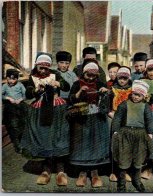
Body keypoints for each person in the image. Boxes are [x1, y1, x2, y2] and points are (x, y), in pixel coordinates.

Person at [20, 53, 70, 186]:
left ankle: (60, 169)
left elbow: (66, 86)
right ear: (37, 66)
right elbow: (27, 92)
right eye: (40, 68)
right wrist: (36, 90)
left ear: (49, 68)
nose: (43, 71)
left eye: (45, 68)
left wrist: (58, 83)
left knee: (58, 137)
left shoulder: (54, 74)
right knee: (44, 137)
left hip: (56, 109)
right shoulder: (32, 77)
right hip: (40, 110)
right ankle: (46, 168)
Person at [68, 59, 110, 188]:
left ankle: (94, 172)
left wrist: (105, 92)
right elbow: (70, 99)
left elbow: (106, 101)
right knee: (82, 143)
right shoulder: (77, 84)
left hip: (97, 118)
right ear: (84, 73)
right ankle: (82, 172)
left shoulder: (100, 83)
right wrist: (80, 92)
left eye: (93, 76)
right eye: (88, 75)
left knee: (95, 143)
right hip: (81, 118)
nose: (91, 78)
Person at [111, 80, 153, 192]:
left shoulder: (145, 107)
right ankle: (121, 183)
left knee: (138, 159)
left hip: (140, 135)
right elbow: (117, 118)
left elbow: (149, 121)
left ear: (143, 96)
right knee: (123, 158)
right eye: (134, 94)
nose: (135, 97)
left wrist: (150, 133)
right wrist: (115, 131)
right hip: (125, 134)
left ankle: (137, 180)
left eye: (138, 95)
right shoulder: (124, 105)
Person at [107, 66, 132, 182]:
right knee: (115, 144)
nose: (122, 81)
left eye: (125, 78)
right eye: (120, 78)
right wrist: (110, 113)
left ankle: (125, 171)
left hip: (128, 120)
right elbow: (105, 106)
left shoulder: (132, 90)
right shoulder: (112, 90)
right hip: (115, 119)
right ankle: (113, 171)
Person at [2, 69, 26, 153]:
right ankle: (17, 145)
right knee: (13, 126)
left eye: (14, 79)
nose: (11, 81)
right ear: (6, 78)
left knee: (22, 124)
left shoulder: (20, 85)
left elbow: (25, 95)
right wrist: (7, 98)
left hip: (20, 107)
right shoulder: (5, 86)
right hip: (10, 108)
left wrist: (20, 99)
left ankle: (22, 141)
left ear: (17, 79)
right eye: (9, 78)